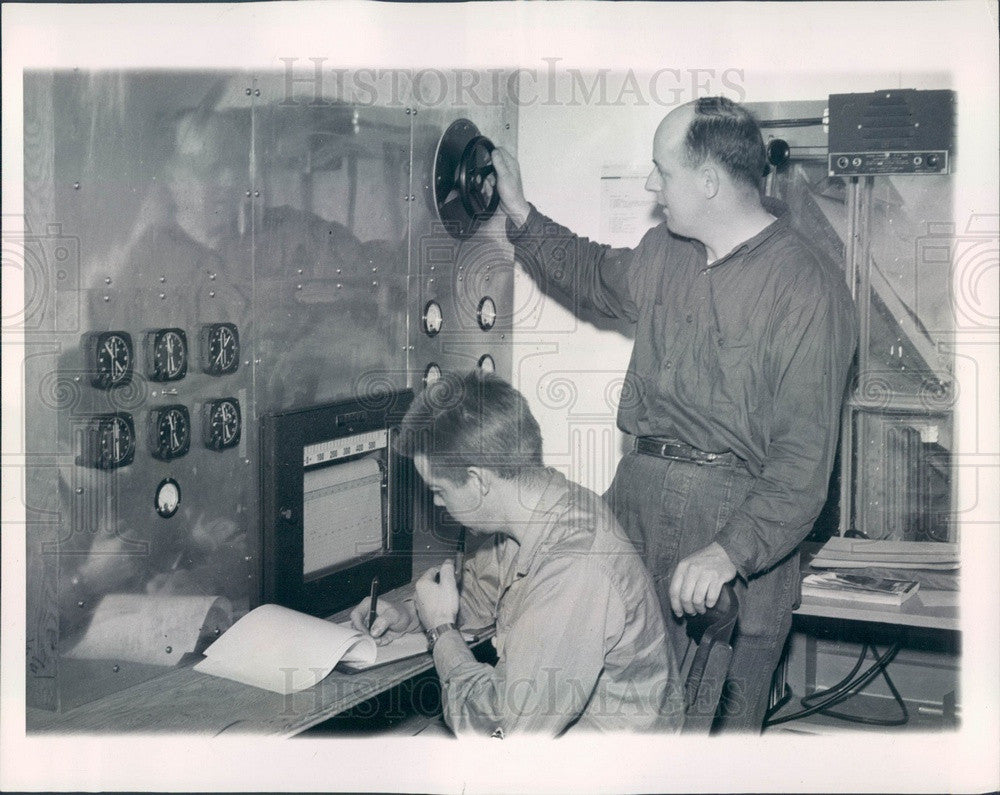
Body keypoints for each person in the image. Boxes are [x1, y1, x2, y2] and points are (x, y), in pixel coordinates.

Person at [489, 96, 858, 732]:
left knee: (707, 739)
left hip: (736, 529)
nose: (650, 184)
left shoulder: (808, 289)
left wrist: (728, 553)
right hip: (639, 499)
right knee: (615, 712)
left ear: (709, 182)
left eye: (663, 169)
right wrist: (520, 212)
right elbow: (593, 275)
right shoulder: (668, 250)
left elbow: (802, 470)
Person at [350, 370, 683, 737]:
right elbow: (478, 598)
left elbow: (502, 731)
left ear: (478, 481)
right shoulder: (535, 508)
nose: (436, 502)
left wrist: (440, 631)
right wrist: (412, 613)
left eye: (439, 490)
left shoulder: (574, 566)